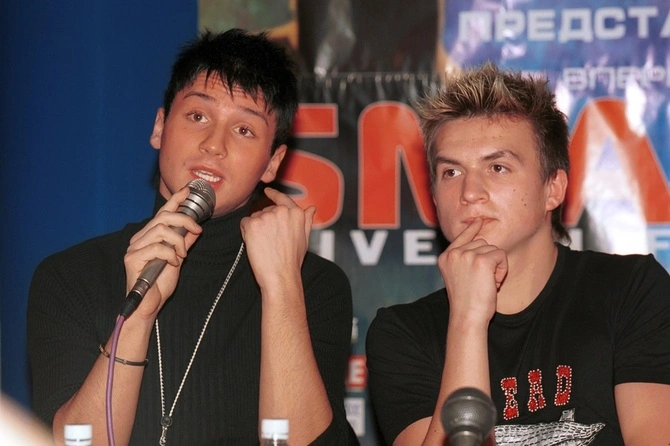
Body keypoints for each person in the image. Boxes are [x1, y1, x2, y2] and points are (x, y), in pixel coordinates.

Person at [28, 28, 357, 445]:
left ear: (273, 163)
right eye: (198, 116)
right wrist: (137, 317)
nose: (214, 145)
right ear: (160, 127)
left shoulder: (312, 285)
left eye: (244, 130)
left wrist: (281, 287)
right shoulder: (72, 275)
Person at [366, 63, 670, 445]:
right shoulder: (402, 333)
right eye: (451, 173)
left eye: (497, 167)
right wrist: (467, 322)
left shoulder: (630, 291)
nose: (469, 193)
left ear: (552, 189)